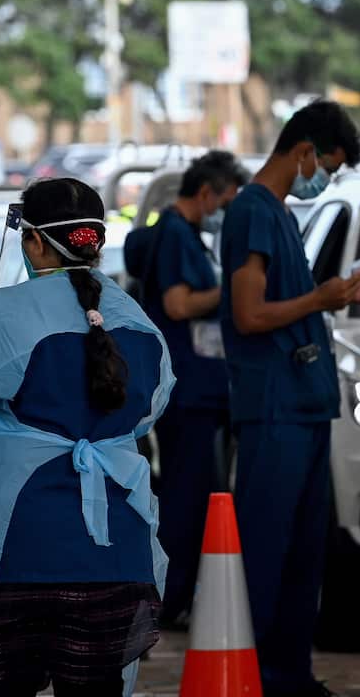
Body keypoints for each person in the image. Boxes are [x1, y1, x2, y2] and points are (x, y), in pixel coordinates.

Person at [0, 178, 173, 696]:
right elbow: (146, 415)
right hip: (116, 554)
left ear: (31, 241)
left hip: (15, 553)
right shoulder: (141, 324)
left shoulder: (5, 314)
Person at [220, 100, 360, 697]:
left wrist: (337, 295)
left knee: (301, 557)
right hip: (274, 410)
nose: (327, 181)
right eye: (329, 167)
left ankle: (289, 674)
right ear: (304, 152)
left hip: (305, 406)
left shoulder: (282, 216)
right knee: (267, 552)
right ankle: (258, 677)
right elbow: (249, 313)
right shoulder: (252, 212)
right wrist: (320, 300)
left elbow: (286, 305)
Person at [136, 150, 246, 627]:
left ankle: (175, 596)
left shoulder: (186, 236)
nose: (224, 211)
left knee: (195, 494)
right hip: (187, 390)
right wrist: (237, 291)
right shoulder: (176, 235)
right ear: (206, 193)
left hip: (198, 387)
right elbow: (178, 305)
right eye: (224, 201)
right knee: (186, 498)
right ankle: (168, 599)